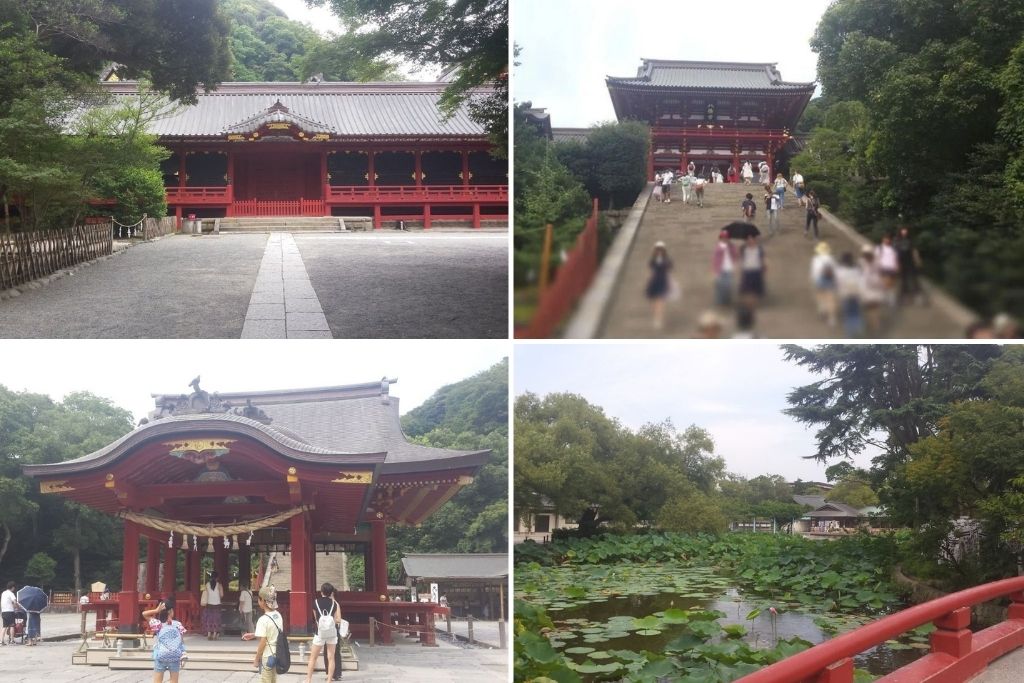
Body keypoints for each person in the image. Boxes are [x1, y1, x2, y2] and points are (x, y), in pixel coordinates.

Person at [142, 598, 187, 683]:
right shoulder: (177, 624)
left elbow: (144, 614)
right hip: (175, 656)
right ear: (171, 611)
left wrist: (156, 610)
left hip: (161, 655)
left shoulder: (158, 624)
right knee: (174, 681)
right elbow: (181, 641)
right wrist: (183, 652)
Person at [247, 587, 284, 683]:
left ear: (263, 601)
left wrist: (256, 659)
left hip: (268, 655)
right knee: (273, 680)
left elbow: (263, 642)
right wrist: (255, 634)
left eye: (259, 599)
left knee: (266, 680)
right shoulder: (278, 615)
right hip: (278, 653)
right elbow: (273, 632)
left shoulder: (263, 619)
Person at [306, 583, 342, 683]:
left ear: (321, 591)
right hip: (332, 633)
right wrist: (330, 622)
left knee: (313, 657)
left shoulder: (315, 602)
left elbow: (316, 619)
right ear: (331, 592)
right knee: (331, 657)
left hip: (320, 633)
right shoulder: (335, 604)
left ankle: (308, 679)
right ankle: (329, 680)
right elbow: (338, 619)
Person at [646, 241, 673, 330]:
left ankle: (658, 319)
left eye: (661, 250)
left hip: (662, 281)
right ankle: (656, 317)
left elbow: (669, 271)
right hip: (654, 281)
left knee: (660, 301)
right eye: (658, 250)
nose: (659, 252)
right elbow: (651, 271)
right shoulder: (653, 260)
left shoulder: (666, 260)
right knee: (654, 302)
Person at [860, 246, 887, 335]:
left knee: (874, 308)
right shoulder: (863, 262)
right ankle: (873, 324)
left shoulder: (876, 263)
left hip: (875, 288)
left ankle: (875, 325)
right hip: (868, 288)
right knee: (870, 308)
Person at [810, 242, 838, 327]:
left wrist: (814, 281)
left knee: (821, 297)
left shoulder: (816, 259)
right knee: (830, 299)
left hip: (819, 280)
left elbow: (814, 272)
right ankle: (832, 318)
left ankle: (822, 310)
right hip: (830, 280)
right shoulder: (831, 259)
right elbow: (835, 271)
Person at [835, 252, 863, 337]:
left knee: (848, 315)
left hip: (846, 295)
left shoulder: (839, 271)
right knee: (856, 313)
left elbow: (837, 283)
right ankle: (858, 331)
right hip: (855, 294)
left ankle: (850, 335)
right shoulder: (856, 270)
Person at [893, 227, 922, 303]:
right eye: (903, 230)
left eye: (905, 231)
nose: (904, 232)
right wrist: (896, 263)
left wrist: (917, 260)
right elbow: (895, 253)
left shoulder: (910, 240)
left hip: (910, 261)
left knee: (914, 278)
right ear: (900, 232)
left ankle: (917, 295)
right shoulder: (897, 240)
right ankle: (905, 296)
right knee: (903, 279)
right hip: (901, 262)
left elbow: (914, 251)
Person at [711, 230, 738, 307]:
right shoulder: (719, 247)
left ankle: (727, 300)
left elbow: (735, 255)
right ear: (721, 238)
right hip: (721, 269)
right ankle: (720, 301)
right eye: (723, 238)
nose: (725, 239)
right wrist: (715, 271)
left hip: (729, 269)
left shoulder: (731, 247)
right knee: (720, 286)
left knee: (728, 286)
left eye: (726, 238)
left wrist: (735, 264)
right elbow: (715, 260)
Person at [739, 234, 766, 307]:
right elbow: (742, 259)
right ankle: (747, 304)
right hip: (747, 270)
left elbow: (761, 259)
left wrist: (763, 267)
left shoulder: (759, 249)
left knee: (755, 290)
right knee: (747, 290)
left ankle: (754, 304)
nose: (751, 241)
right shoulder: (744, 249)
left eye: (752, 239)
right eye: (749, 239)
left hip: (756, 270)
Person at [874, 235, 900, 307]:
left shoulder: (892, 249)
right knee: (885, 283)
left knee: (891, 285)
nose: (887, 240)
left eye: (888, 239)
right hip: (883, 268)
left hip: (892, 268)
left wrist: (897, 266)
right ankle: (887, 299)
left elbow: (895, 259)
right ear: (883, 240)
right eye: (885, 239)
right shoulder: (879, 248)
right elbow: (876, 258)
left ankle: (889, 299)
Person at [203, 570, 225, 640]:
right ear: (217, 577)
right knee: (216, 619)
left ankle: (209, 633)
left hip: (209, 604)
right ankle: (215, 634)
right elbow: (222, 595)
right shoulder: (219, 585)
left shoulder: (207, 584)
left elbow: (205, 594)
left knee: (209, 619)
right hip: (217, 604)